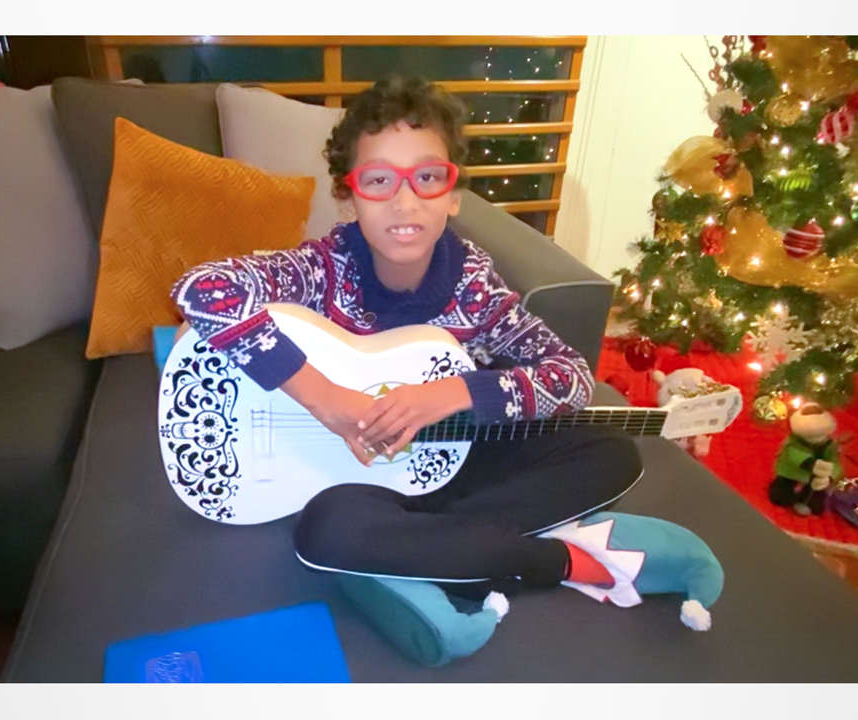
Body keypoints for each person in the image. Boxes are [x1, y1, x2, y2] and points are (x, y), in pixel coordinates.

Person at [171, 76, 643, 601]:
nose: (404, 201)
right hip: (352, 487)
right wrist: (326, 399)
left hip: (450, 461)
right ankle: (539, 560)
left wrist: (451, 393)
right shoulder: (322, 270)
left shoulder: (473, 284)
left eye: (427, 177)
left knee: (613, 452)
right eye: (378, 180)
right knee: (328, 530)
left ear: (455, 195)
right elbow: (203, 290)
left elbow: (571, 375)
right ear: (348, 198)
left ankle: (432, 551)